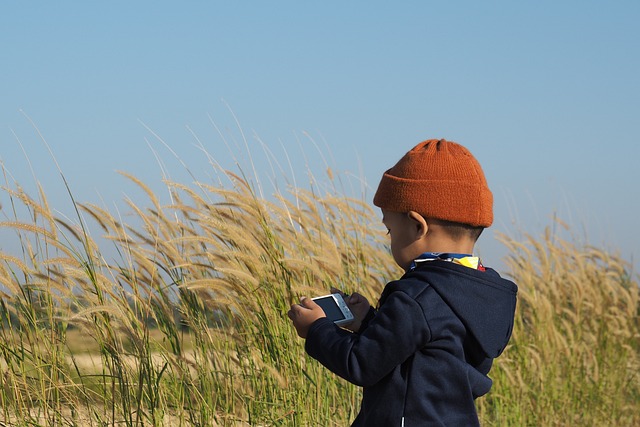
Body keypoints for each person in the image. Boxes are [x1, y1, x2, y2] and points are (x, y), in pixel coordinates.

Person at [288, 139, 518, 426]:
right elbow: (423, 353)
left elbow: (361, 363)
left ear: (417, 226)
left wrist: (316, 329)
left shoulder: (417, 295)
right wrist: (370, 321)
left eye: (389, 230)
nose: (389, 239)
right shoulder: (483, 295)